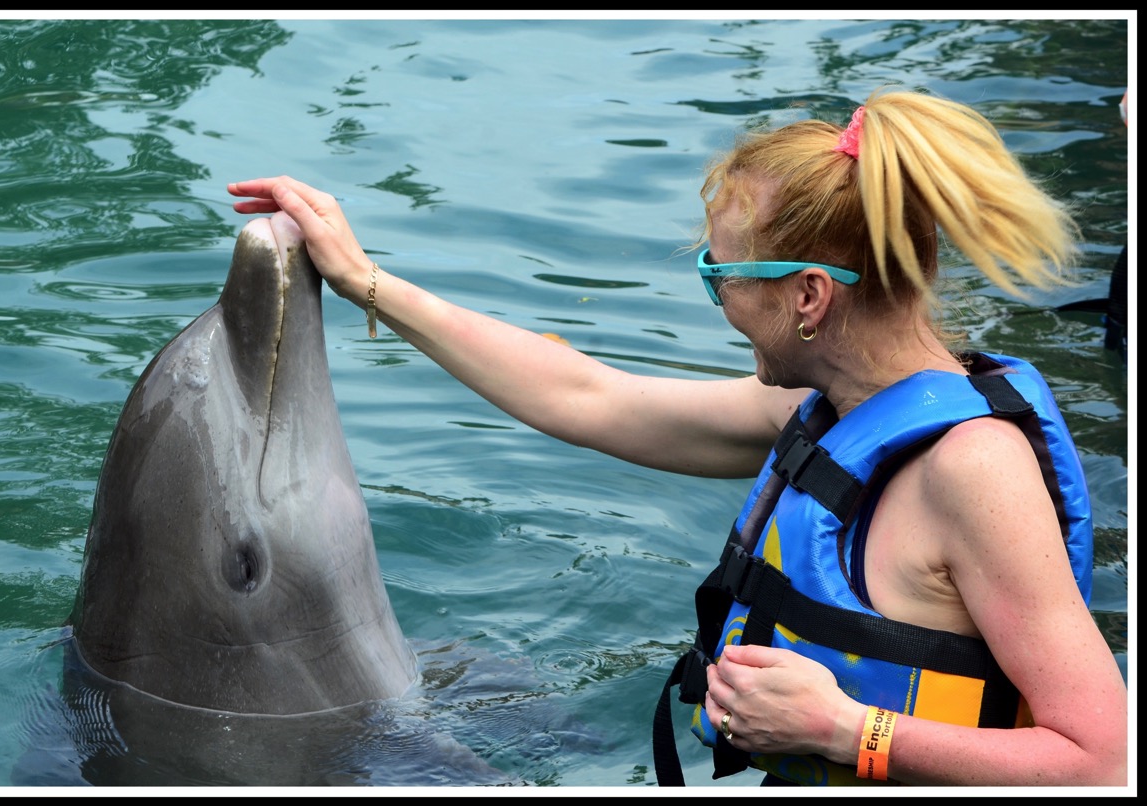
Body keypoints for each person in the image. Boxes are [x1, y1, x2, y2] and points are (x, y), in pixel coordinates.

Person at [228, 84, 1127, 787]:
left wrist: (846, 729)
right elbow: (587, 398)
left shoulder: (972, 471)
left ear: (809, 297)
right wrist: (365, 280)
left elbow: (1102, 761)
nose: (719, 301)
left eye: (721, 276)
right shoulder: (826, 414)